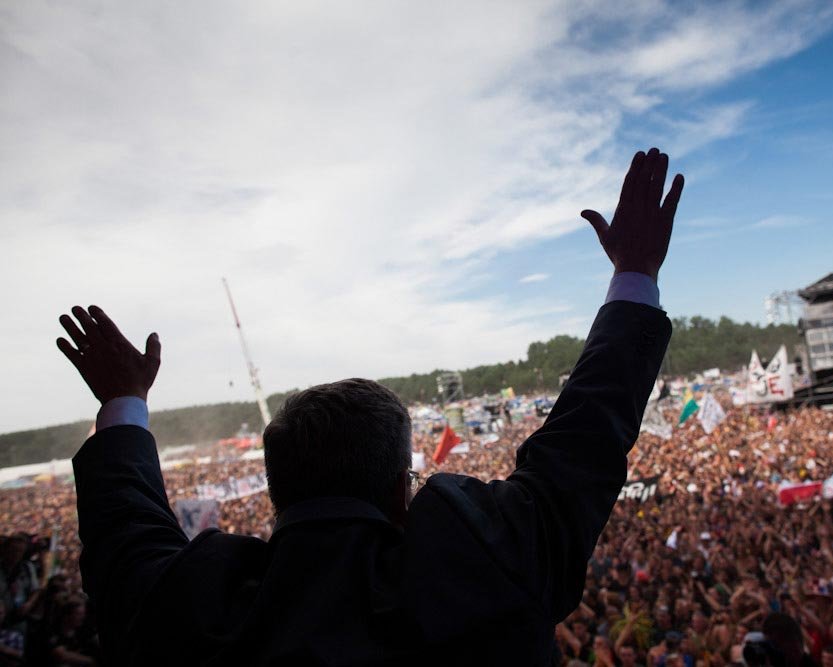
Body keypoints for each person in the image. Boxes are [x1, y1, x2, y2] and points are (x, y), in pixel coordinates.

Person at [57, 148, 684, 665]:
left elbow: (124, 536)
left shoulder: (189, 612)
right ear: (397, 491)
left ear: (280, 491)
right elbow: (583, 443)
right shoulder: (485, 571)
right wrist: (635, 271)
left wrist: (123, 402)